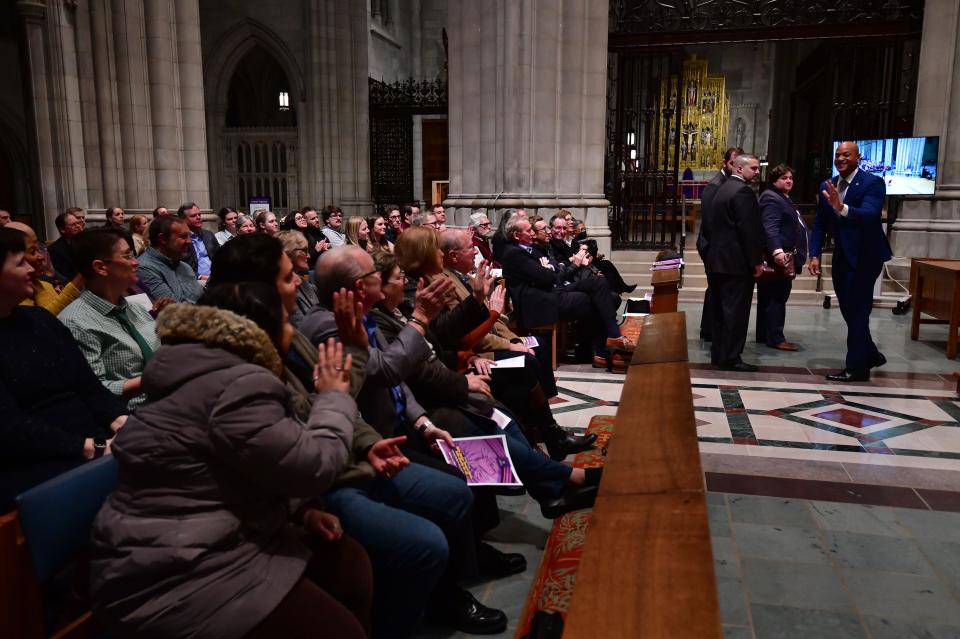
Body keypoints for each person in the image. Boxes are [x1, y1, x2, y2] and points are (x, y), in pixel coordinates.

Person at [89, 282, 372, 639]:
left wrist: (300, 510)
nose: (293, 330)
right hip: (175, 573)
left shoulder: (205, 368)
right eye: (286, 321)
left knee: (348, 564)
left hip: (216, 533)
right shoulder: (239, 384)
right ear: (260, 331)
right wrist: (333, 397)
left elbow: (243, 465)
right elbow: (314, 468)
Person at [0, 227, 126, 511]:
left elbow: (89, 387)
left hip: (92, 441)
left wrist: (122, 421)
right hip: (34, 461)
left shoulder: (40, 320)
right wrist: (94, 448)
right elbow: (11, 429)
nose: (36, 265)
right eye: (20, 262)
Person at [500, 215, 634, 368]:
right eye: (529, 230)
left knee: (599, 282)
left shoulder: (526, 250)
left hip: (550, 291)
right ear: (517, 235)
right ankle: (601, 349)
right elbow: (549, 278)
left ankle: (607, 343)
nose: (532, 233)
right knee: (603, 300)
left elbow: (551, 273)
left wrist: (551, 269)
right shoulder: (515, 253)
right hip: (540, 302)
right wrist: (556, 269)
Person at [809, 141, 891, 382]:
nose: (841, 158)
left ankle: (856, 367)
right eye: (837, 155)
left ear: (858, 157)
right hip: (842, 255)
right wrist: (814, 254)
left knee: (858, 310)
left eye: (846, 154)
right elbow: (820, 223)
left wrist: (842, 207)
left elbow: (869, 214)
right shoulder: (828, 185)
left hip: (867, 256)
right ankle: (871, 354)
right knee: (848, 309)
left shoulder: (872, 183)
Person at [59, 228, 160, 409]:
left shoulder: (134, 307)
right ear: (100, 267)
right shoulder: (75, 322)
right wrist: (154, 379)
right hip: (134, 415)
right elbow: (93, 390)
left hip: (169, 400)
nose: (136, 262)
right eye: (127, 256)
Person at [702, 154, 765, 372]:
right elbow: (749, 231)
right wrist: (757, 261)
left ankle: (719, 354)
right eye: (754, 168)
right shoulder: (743, 192)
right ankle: (731, 358)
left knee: (720, 311)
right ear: (739, 169)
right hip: (736, 264)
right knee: (735, 313)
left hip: (718, 261)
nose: (757, 172)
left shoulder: (723, 188)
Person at [756, 164, 808, 351]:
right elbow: (770, 227)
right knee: (776, 297)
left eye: (790, 178)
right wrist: (777, 252)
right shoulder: (772, 198)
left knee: (769, 297)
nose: (789, 181)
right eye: (784, 178)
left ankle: (764, 334)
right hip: (778, 258)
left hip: (780, 255)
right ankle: (775, 337)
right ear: (774, 180)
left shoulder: (780, 197)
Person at [698, 147, 744, 341]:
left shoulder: (730, 183)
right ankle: (711, 331)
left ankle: (710, 331)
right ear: (726, 163)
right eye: (734, 162)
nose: (737, 166)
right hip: (713, 246)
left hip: (720, 248)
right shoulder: (716, 185)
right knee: (716, 291)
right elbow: (709, 221)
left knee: (716, 291)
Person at [9, 221, 83, 315]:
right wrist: (79, 280)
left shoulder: (45, 285)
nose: (41, 256)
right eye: (32, 251)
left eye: (38, 247)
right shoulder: (10, 297)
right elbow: (40, 321)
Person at [136, 216, 204, 303]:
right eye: (183, 236)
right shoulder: (144, 268)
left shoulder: (185, 267)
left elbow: (202, 301)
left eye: (189, 236)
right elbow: (173, 310)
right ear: (162, 239)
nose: (189, 241)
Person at [276, 230, 320, 327]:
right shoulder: (282, 288)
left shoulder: (303, 281)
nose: (308, 256)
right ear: (288, 253)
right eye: (304, 251)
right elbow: (299, 325)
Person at [178, 202, 219, 278]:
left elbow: (220, 257)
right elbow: (178, 266)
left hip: (215, 276)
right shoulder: (180, 239)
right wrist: (199, 277)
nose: (198, 217)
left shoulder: (208, 235)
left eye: (199, 214)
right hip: (194, 279)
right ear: (183, 220)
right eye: (193, 216)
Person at [48, 208, 85, 281]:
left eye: (78, 223)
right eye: (73, 225)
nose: (78, 226)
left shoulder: (86, 241)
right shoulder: (55, 250)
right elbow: (65, 276)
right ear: (62, 230)